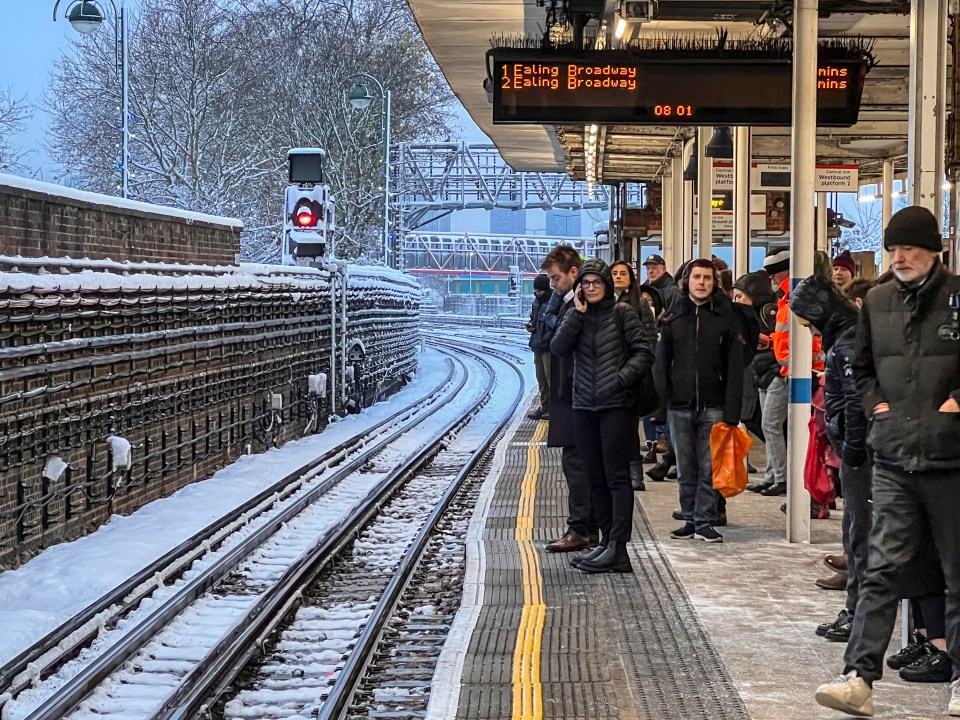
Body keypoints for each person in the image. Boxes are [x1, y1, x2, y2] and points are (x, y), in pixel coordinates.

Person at [814, 205, 960, 718]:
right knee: (881, 569)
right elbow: (861, 365)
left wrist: (956, 402)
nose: (899, 258)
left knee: (956, 571)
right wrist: (876, 407)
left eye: (909, 249)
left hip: (952, 459)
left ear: (933, 251)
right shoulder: (876, 301)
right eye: (893, 249)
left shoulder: (959, 296)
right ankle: (858, 677)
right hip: (893, 456)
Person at [551, 259, 656, 572]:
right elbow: (557, 347)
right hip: (583, 406)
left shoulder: (622, 313)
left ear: (607, 285)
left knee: (616, 477)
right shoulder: (577, 315)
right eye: (586, 282)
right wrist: (576, 315)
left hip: (615, 407)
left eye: (597, 282)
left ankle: (618, 548)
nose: (591, 287)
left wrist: (620, 379)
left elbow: (645, 351)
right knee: (594, 476)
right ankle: (605, 542)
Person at [789, 275, 872, 645]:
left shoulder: (848, 341)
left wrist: (851, 448)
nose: (808, 330)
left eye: (808, 322)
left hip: (861, 455)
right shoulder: (845, 337)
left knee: (861, 536)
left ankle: (859, 614)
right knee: (855, 533)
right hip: (855, 451)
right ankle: (856, 610)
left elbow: (855, 403)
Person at [654, 258, 743, 544]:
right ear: (687, 282)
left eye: (707, 278)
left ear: (714, 282)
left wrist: (732, 411)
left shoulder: (725, 318)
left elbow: (734, 367)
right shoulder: (672, 317)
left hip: (714, 405)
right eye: (697, 278)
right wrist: (661, 405)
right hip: (679, 406)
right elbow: (661, 364)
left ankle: (704, 521)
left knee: (708, 467)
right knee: (685, 467)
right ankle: (690, 519)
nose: (702, 283)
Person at [541, 246, 597, 553]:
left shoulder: (578, 305)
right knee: (579, 463)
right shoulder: (567, 302)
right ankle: (587, 527)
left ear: (573, 273)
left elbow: (563, 344)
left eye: (556, 278)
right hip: (572, 393)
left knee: (577, 465)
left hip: (576, 394)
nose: (553, 284)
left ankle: (581, 529)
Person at [611, 260, 658, 491]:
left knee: (630, 428)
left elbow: (650, 340)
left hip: (632, 377)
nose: (618, 276)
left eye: (623, 273)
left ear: (631, 278)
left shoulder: (640, 305)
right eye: (614, 273)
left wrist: (633, 369)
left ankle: (635, 474)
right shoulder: (602, 304)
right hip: (608, 376)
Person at [526, 274, 555, 420]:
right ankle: (545, 407)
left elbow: (555, 325)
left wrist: (547, 338)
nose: (537, 293)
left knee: (551, 379)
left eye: (539, 290)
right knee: (541, 379)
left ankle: (554, 409)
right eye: (535, 290)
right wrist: (531, 326)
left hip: (548, 348)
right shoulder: (536, 302)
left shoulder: (553, 302)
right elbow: (534, 319)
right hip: (537, 345)